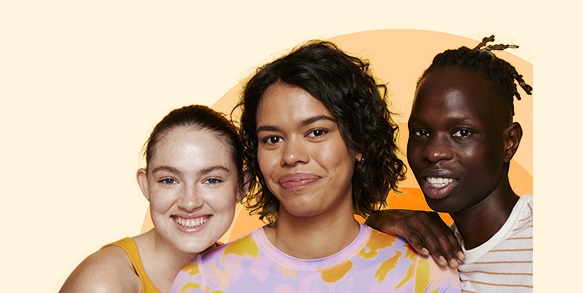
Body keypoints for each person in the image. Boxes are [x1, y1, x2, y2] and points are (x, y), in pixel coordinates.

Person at [171, 40, 461, 292]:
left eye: (317, 132)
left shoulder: (419, 275)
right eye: (272, 138)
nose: (292, 156)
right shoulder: (205, 282)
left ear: (358, 141)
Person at [377, 35, 534, 292]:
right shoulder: (427, 253)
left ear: (509, 142)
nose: (434, 152)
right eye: (421, 132)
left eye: (462, 132)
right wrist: (373, 225)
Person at [59, 105, 244, 293]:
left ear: (242, 185)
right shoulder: (104, 283)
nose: (189, 203)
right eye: (169, 180)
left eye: (211, 180)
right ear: (145, 185)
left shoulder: (247, 273)